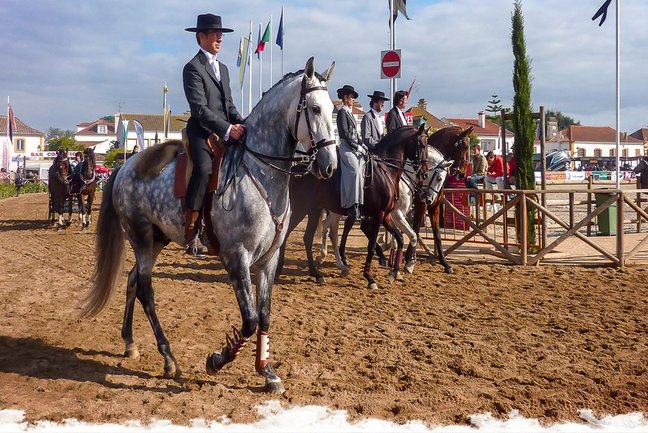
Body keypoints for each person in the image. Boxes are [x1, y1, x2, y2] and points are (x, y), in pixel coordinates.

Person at [183, 13, 245, 256]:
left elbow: (228, 105)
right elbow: (199, 109)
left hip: (224, 132)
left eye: (221, 34)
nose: (220, 37)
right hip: (200, 131)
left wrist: (242, 122)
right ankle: (192, 228)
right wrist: (228, 129)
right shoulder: (192, 68)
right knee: (204, 169)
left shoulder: (224, 69)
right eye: (215, 33)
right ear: (201, 37)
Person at [336, 84, 365, 220]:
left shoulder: (350, 113)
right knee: (354, 170)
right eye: (351, 97)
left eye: (353, 97)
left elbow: (356, 134)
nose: (353, 99)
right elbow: (346, 133)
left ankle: (360, 202)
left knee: (364, 168)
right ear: (345, 97)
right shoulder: (342, 112)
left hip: (354, 146)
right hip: (346, 147)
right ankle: (350, 205)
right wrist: (356, 146)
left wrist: (362, 145)